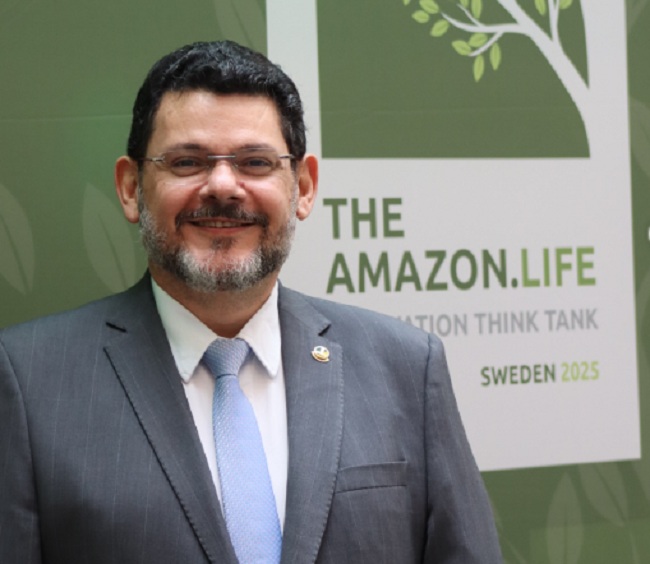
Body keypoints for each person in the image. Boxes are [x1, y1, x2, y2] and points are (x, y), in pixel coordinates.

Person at [0, 40, 501, 563]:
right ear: (131, 188)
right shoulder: (28, 382)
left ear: (303, 186)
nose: (223, 186)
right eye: (187, 162)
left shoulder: (407, 368)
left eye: (255, 162)